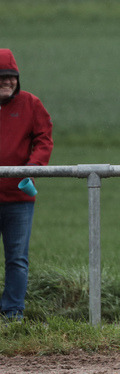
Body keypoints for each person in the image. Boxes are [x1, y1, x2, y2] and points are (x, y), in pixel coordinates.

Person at [0, 49, 53, 321]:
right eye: (1, 78)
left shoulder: (31, 104)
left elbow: (44, 138)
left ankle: (12, 314)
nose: (6, 82)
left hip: (19, 198)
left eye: (11, 77)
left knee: (17, 259)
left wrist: (32, 169)